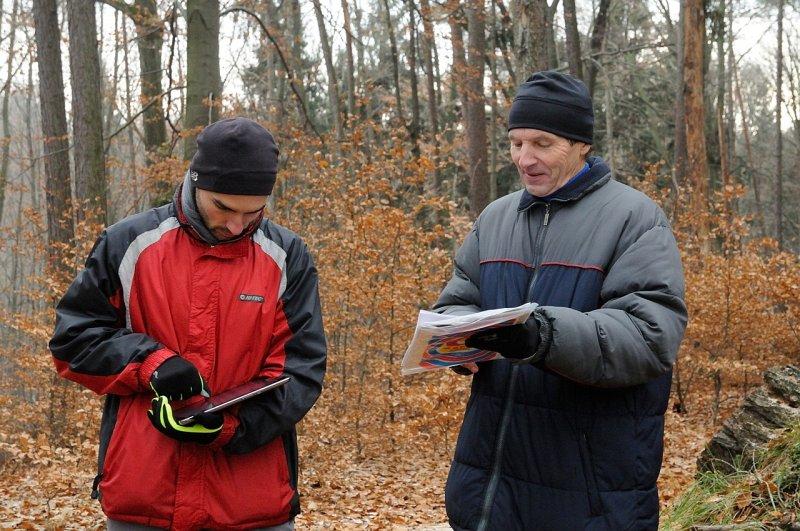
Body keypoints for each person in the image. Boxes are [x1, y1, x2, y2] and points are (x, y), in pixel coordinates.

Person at [434, 71, 687, 530]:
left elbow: (649, 338)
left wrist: (542, 335)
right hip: (491, 488)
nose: (524, 158)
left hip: (589, 494)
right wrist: (458, 337)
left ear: (581, 145)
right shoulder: (495, 218)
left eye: (542, 143)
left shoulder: (635, 219)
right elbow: (457, 299)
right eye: (516, 143)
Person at [49, 117, 326, 530]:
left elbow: (300, 371)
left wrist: (228, 428)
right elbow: (73, 340)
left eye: (253, 211)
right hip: (144, 494)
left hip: (251, 501)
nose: (237, 225)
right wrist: (150, 363)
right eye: (223, 207)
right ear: (194, 182)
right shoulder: (127, 243)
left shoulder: (288, 256)